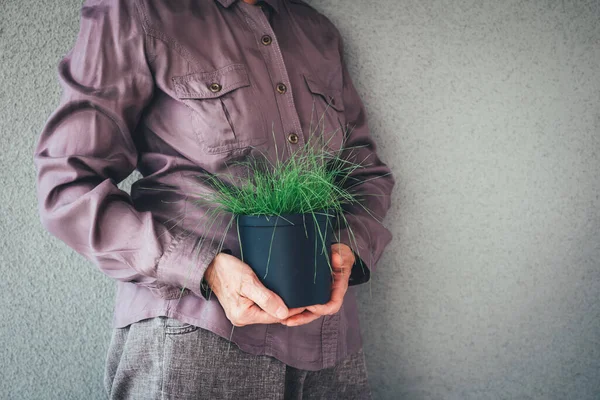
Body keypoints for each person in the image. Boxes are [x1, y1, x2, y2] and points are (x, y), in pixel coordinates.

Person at [33, 0, 395, 398]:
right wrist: (203, 268)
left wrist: (349, 250)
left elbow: (365, 174)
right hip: (199, 336)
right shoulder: (137, 12)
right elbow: (68, 183)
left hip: (330, 351)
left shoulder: (315, 30)